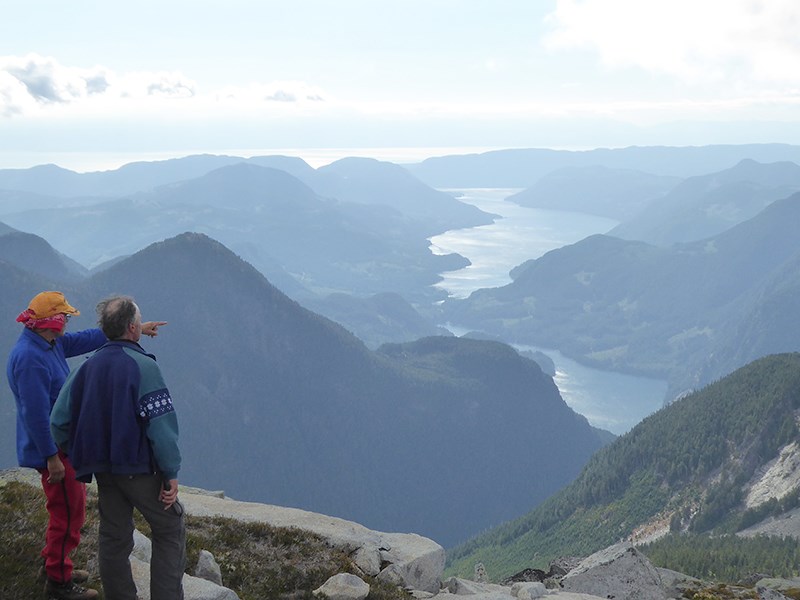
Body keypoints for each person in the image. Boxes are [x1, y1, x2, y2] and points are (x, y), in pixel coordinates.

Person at [6, 290, 166, 600]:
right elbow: (36, 415)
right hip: (52, 450)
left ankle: (55, 563)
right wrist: (52, 458)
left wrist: (135, 330)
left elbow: (85, 339)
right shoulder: (30, 360)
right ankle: (59, 583)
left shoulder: (47, 343)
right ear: (52, 320)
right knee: (68, 512)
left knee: (69, 507)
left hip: (61, 446)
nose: (67, 321)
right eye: (63, 316)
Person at [51, 295, 185, 600]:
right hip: (139, 469)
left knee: (113, 537)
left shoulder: (85, 368)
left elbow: (58, 421)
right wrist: (170, 472)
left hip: (102, 470)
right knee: (169, 527)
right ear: (133, 328)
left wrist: (78, 452)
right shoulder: (144, 367)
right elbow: (161, 429)